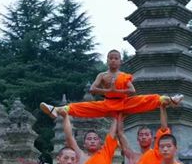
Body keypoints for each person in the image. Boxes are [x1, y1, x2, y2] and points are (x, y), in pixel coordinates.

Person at [39, 49, 183, 119]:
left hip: (124, 103)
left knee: (148, 98)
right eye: (111, 58)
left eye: (116, 58)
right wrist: (108, 91)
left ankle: (170, 100)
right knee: (83, 106)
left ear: (120, 61)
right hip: (108, 103)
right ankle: (57, 110)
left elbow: (132, 91)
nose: (113, 60)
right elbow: (93, 89)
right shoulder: (102, 75)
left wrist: (116, 91)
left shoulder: (123, 75)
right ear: (107, 60)